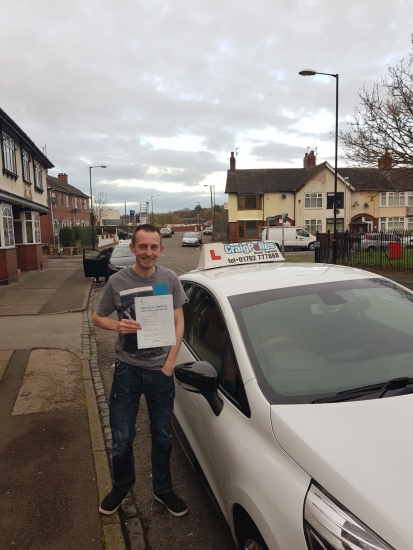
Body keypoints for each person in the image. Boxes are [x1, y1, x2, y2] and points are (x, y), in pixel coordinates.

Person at [92, 224, 187, 517]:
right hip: (127, 370)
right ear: (132, 248)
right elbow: (97, 317)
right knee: (121, 437)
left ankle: (163, 489)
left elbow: (179, 323)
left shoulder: (170, 279)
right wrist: (116, 325)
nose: (148, 252)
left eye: (153, 247)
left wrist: (170, 363)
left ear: (160, 249)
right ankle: (122, 485)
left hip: (161, 370)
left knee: (162, 436)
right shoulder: (118, 281)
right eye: (142, 246)